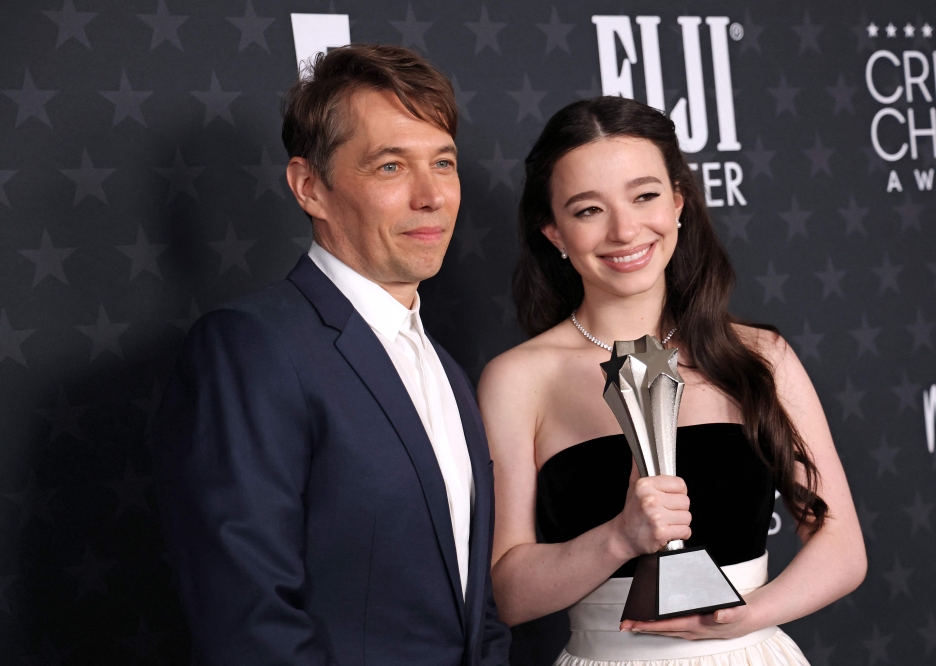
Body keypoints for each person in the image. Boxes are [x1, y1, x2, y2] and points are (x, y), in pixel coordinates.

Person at [478, 96, 867, 665]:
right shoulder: (518, 379)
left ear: (679, 202)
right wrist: (620, 537)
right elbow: (509, 595)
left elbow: (842, 546)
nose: (625, 229)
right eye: (588, 210)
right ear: (554, 233)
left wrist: (745, 617)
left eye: (644, 195)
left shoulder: (760, 356)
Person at [154, 45, 510, 666]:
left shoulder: (447, 369)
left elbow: (474, 606)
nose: (432, 196)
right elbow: (248, 618)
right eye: (391, 166)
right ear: (310, 187)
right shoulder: (251, 347)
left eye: (444, 163)